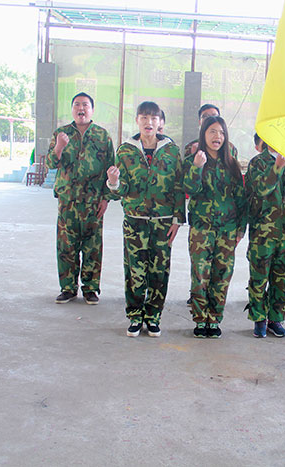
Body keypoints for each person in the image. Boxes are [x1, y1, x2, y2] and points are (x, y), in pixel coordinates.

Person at [106, 101, 184, 338]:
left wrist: (177, 219)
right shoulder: (126, 151)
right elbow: (119, 192)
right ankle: (135, 316)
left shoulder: (171, 151)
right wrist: (113, 182)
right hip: (135, 221)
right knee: (135, 271)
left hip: (162, 221)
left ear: (160, 122)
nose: (149, 122)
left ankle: (153, 317)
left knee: (159, 271)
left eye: (153, 118)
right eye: (144, 118)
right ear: (137, 120)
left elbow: (178, 186)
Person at [46, 92, 115, 306]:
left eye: (85, 104)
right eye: (77, 104)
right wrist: (59, 147)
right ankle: (67, 288)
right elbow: (50, 163)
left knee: (93, 246)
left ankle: (91, 288)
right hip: (68, 201)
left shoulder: (103, 136)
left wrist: (106, 198)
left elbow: (110, 168)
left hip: (94, 201)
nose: (81, 108)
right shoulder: (61, 133)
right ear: (72, 110)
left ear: (92, 110)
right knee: (66, 245)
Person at [183, 116, 246, 338]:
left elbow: (240, 197)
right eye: (212, 131)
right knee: (200, 274)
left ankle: (215, 318)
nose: (216, 136)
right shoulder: (194, 159)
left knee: (222, 274)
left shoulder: (231, 164)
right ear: (203, 134)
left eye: (220, 132)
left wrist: (241, 229)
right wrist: (197, 167)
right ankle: (201, 319)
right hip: (202, 228)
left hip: (227, 229)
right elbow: (190, 189)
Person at [245, 139, 285, 338]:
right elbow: (260, 189)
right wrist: (276, 168)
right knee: (259, 277)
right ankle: (259, 318)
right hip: (263, 233)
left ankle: (276, 318)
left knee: (281, 278)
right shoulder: (257, 163)